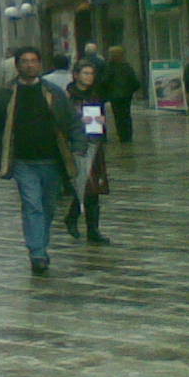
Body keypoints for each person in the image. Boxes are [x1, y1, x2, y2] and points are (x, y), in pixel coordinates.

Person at [0, 46, 85, 275]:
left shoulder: (53, 93)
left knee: (48, 206)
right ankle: (37, 253)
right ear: (17, 65)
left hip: (52, 160)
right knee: (32, 205)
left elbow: (72, 120)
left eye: (33, 61)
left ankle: (41, 243)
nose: (29, 65)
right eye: (24, 61)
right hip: (23, 161)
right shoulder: (6, 95)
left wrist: (78, 145)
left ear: (40, 64)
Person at [63, 61, 111, 245]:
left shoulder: (95, 95)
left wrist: (101, 121)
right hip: (77, 145)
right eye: (85, 73)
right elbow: (62, 120)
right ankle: (76, 220)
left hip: (94, 142)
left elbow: (100, 115)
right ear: (76, 75)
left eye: (91, 73)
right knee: (83, 184)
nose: (89, 77)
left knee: (93, 188)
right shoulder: (68, 96)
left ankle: (91, 229)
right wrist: (77, 121)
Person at [99, 45, 140, 143]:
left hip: (115, 96)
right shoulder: (127, 67)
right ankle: (127, 136)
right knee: (126, 115)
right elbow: (135, 82)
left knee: (118, 116)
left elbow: (105, 81)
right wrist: (130, 91)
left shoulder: (109, 67)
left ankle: (121, 134)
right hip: (126, 96)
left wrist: (106, 91)